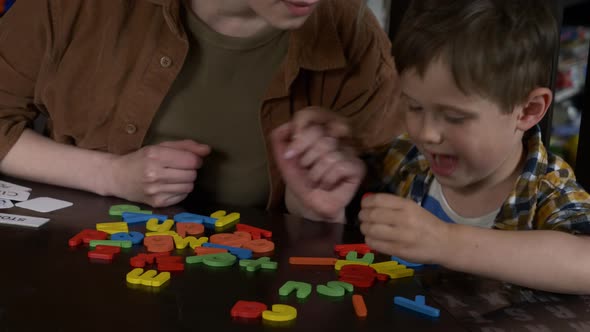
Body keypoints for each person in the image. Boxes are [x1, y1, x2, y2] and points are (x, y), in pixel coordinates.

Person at [272, 0, 590, 294]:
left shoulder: (548, 188)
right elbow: (331, 220)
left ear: (529, 110)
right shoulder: (403, 161)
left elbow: (584, 262)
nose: (427, 134)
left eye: (454, 117)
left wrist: (446, 243)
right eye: (414, 107)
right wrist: (314, 200)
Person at [0, 0, 402, 209]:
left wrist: (316, 205)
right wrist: (111, 175)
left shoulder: (354, 33)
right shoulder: (74, 8)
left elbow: (390, 195)